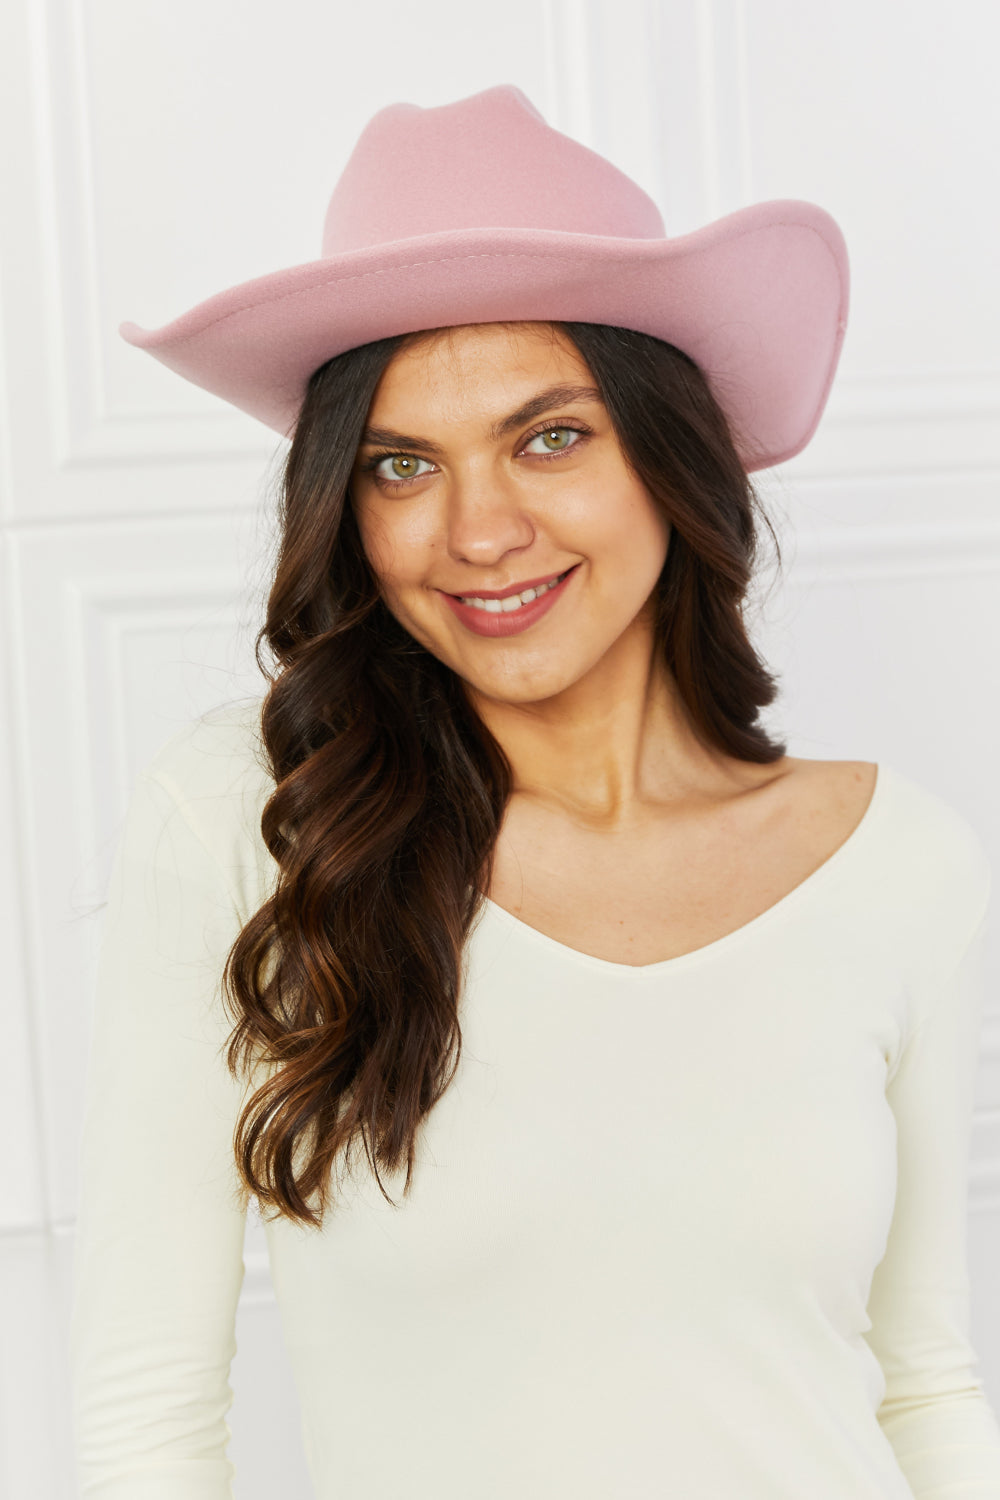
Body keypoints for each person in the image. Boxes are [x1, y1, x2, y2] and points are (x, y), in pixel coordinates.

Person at [69, 84, 1000, 1500]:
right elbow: (146, 1420)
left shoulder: (902, 865)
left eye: (549, 436)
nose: (481, 530)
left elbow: (928, 1384)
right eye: (401, 465)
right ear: (347, 506)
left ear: (667, 455)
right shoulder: (260, 826)